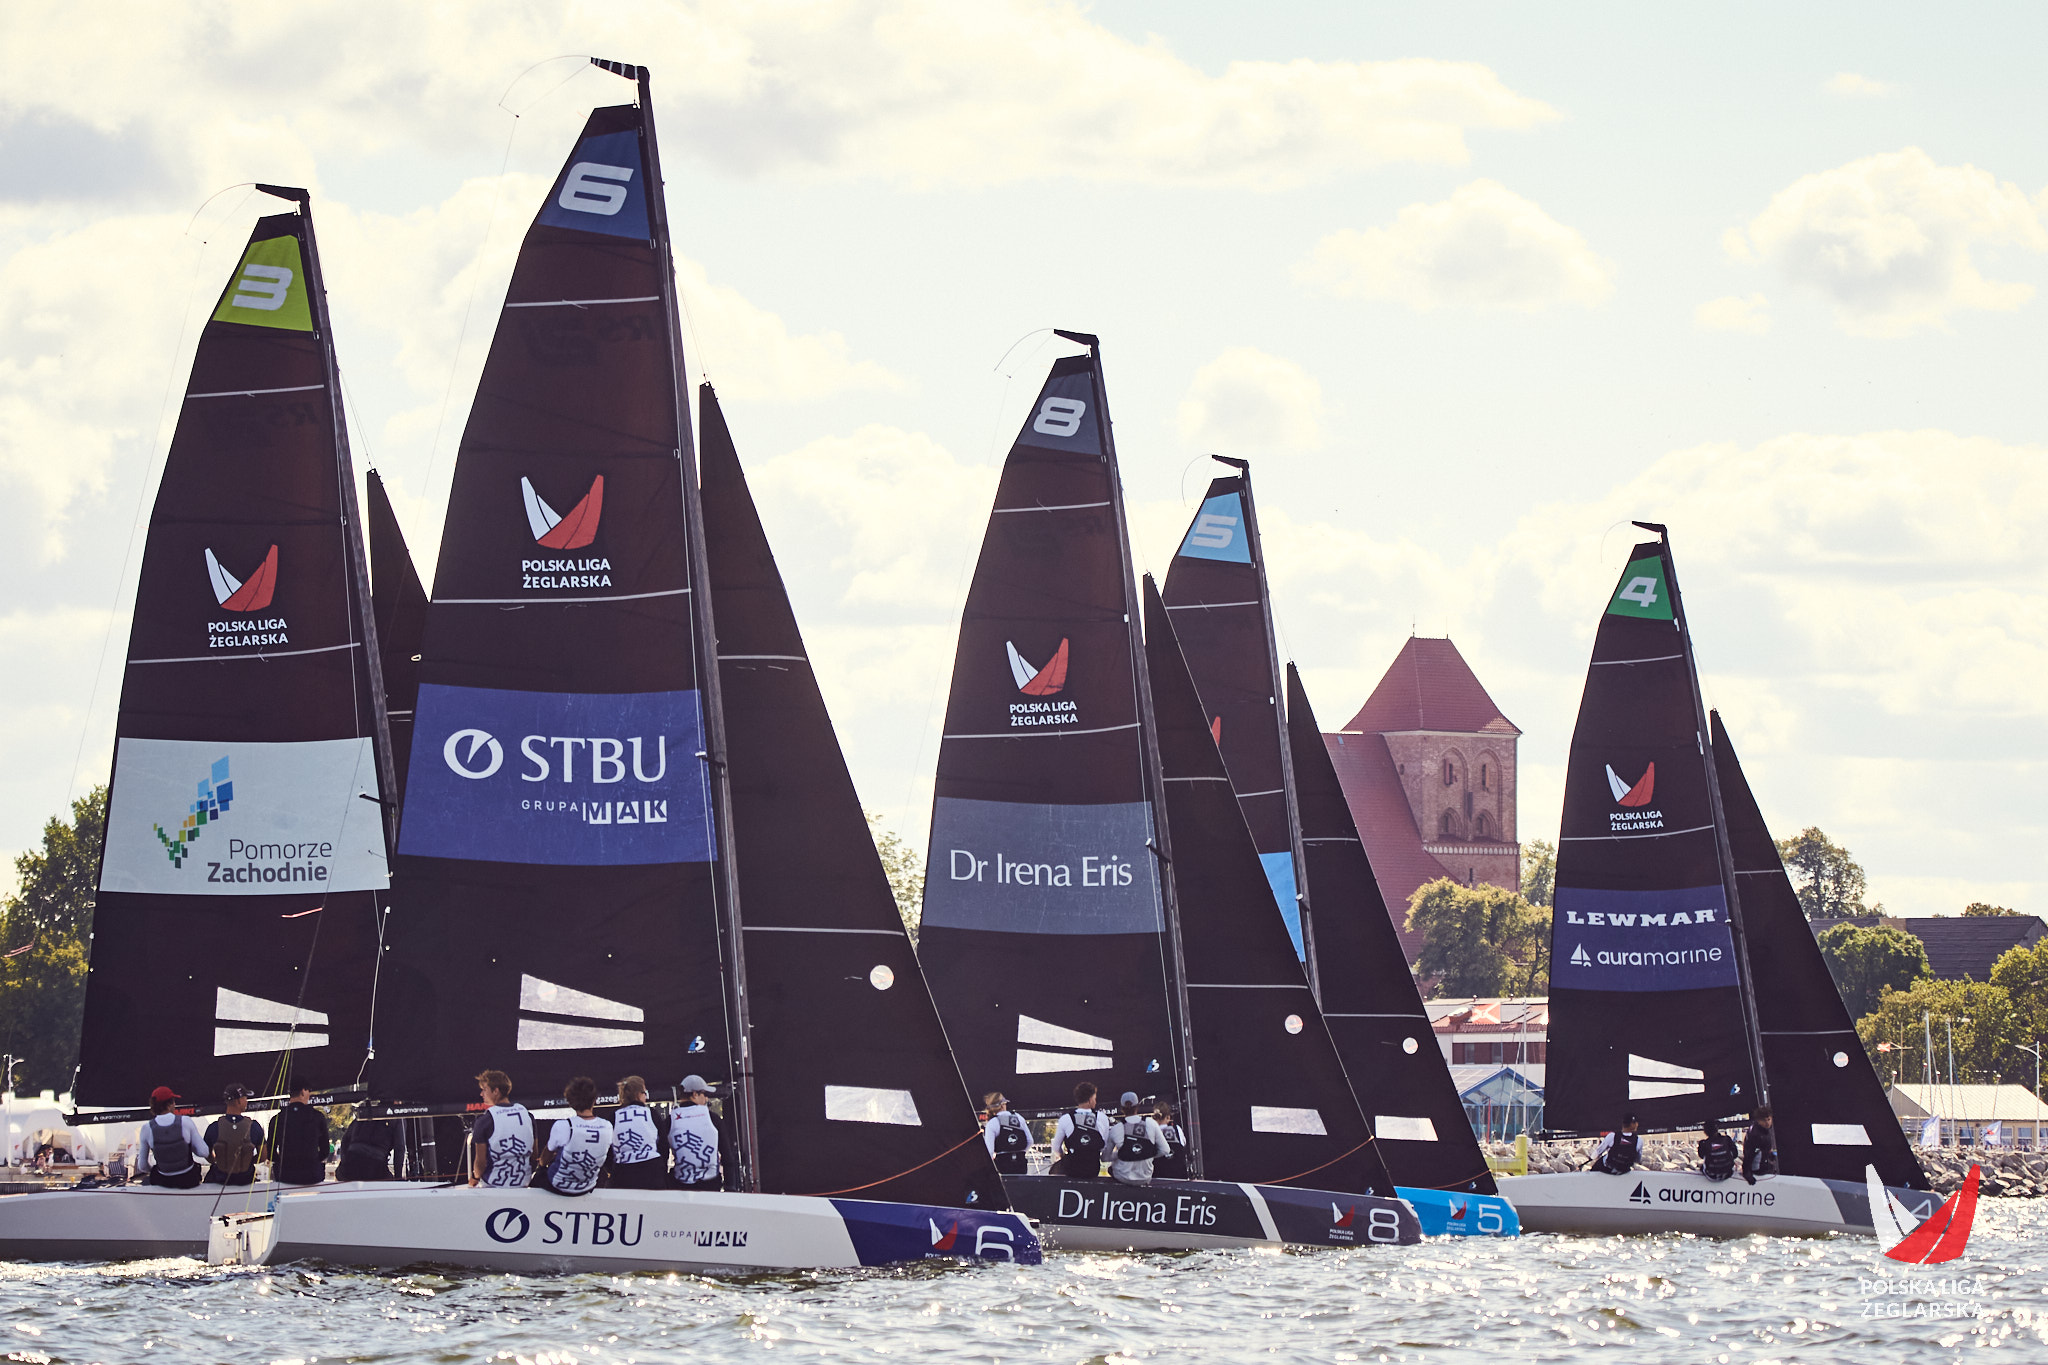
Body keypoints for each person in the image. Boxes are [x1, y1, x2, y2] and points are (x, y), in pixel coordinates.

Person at [538, 1077, 613, 1196]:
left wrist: (541, 1165)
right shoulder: (607, 1126)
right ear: (594, 1100)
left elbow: (545, 1156)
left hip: (558, 1186)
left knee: (538, 1175)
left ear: (570, 1102)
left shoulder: (564, 1126)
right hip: (587, 1186)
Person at [468, 1069, 534, 1189]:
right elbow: (534, 1153)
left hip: (494, 1186)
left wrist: (474, 1179)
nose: (481, 1094)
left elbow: (480, 1163)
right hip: (523, 1183)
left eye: (484, 1089)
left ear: (496, 1091)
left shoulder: (484, 1120)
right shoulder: (527, 1115)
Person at [135, 1086, 209, 1188]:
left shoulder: (146, 1128)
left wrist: (155, 1169)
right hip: (188, 1180)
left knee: (155, 1173)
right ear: (169, 1104)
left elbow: (142, 1166)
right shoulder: (185, 1121)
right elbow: (204, 1152)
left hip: (163, 1181)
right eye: (174, 1102)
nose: (175, 1105)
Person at [607, 1075, 668, 1189]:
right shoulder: (651, 1114)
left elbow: (608, 1149)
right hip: (652, 1171)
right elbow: (663, 1145)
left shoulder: (614, 1116)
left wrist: (613, 1169)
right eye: (645, 1093)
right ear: (638, 1094)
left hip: (622, 1173)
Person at [269, 1080, 332, 1186]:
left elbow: (271, 1152)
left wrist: (282, 1162)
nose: (310, 1094)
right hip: (312, 1174)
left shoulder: (277, 1119)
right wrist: (314, 1161)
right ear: (303, 1092)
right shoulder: (317, 1117)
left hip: (285, 1174)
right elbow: (325, 1150)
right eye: (309, 1091)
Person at [669, 1075, 725, 1190]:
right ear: (695, 1094)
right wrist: (730, 1187)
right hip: (711, 1184)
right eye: (705, 1094)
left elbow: (662, 1152)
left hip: (680, 1185)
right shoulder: (712, 1118)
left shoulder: (671, 1119)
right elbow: (727, 1154)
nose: (707, 1099)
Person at [203, 1084, 263, 1187]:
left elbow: (206, 1154)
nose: (247, 1101)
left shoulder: (213, 1127)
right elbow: (263, 1156)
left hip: (219, 1182)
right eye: (245, 1098)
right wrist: (248, 1161)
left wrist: (218, 1161)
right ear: (239, 1101)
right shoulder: (254, 1126)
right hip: (246, 1181)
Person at [1109, 1092, 1167, 1186]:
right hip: (1145, 1178)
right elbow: (1165, 1150)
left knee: (1110, 1169)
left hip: (1122, 1177)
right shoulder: (1151, 1123)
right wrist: (1146, 1154)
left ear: (1122, 1108)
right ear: (1137, 1107)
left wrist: (1120, 1154)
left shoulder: (1116, 1128)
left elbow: (1105, 1157)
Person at [1051, 1083, 1108, 1179]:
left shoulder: (1066, 1118)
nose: (1095, 1102)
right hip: (1093, 1168)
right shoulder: (1102, 1117)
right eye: (1094, 1098)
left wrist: (1062, 1155)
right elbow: (1104, 1145)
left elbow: (1056, 1146)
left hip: (1072, 1168)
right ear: (1090, 1099)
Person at [335, 1115, 397, 1181]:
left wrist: (345, 1162)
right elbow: (400, 1147)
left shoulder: (361, 1116)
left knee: (341, 1174)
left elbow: (345, 1140)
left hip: (353, 1160)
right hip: (377, 1165)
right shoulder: (394, 1118)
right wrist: (398, 1176)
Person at [982, 1092, 1031, 1175]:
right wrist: (1020, 1152)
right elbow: (1030, 1141)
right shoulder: (1018, 1117)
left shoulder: (992, 1123)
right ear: (1002, 1105)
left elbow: (989, 1151)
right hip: (1021, 1164)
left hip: (1002, 1165)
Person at [1151, 1101, 1190, 1181]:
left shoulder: (1151, 1131)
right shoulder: (1177, 1129)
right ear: (1168, 1117)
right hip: (1177, 1174)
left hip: (1158, 1175)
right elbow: (1183, 1144)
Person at [1742, 1105, 1778, 1185]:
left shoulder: (1764, 1130)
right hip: (1758, 1169)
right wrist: (1747, 1173)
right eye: (1764, 1120)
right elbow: (1748, 1154)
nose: (1767, 1123)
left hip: (1764, 1160)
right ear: (1758, 1121)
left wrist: (1770, 1154)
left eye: (1769, 1119)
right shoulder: (1756, 1135)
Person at [1698, 1117, 1738, 1181]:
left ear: (1705, 1132)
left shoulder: (1703, 1143)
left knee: (1702, 1165)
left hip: (1711, 1175)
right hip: (1728, 1173)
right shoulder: (1727, 1139)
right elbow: (1735, 1154)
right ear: (1717, 1129)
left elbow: (1701, 1156)